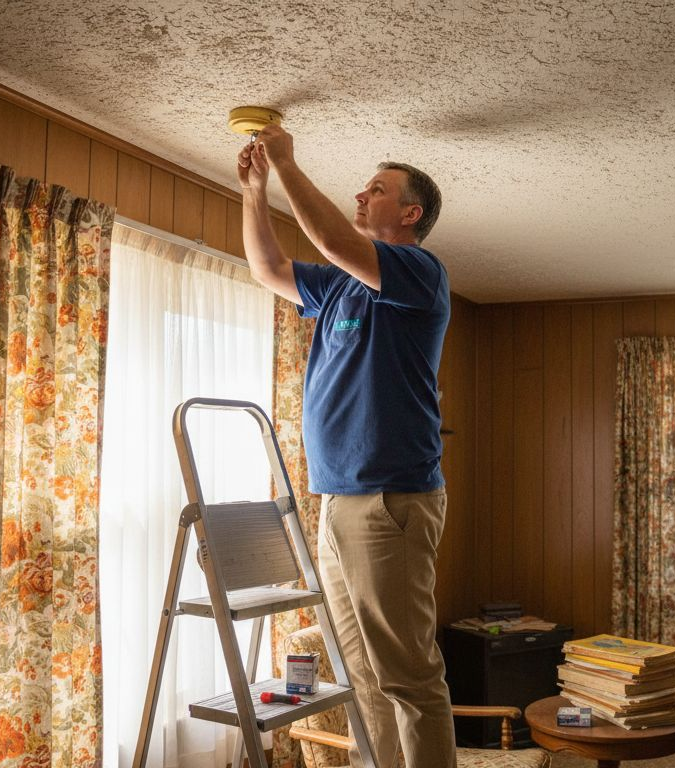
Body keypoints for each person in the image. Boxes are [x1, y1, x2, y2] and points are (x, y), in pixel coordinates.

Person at [236, 125, 454, 768]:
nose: (362, 194)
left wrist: (285, 161)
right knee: (360, 676)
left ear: (410, 213)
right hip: (335, 501)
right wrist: (255, 191)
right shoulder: (338, 287)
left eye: (377, 190)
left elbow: (333, 238)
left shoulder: (421, 273)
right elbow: (267, 269)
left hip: (389, 500)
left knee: (407, 676)